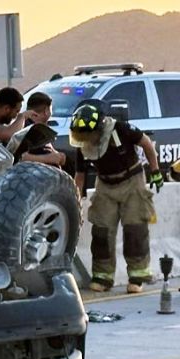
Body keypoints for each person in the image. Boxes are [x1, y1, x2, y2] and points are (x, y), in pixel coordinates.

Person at [70, 103, 164, 293]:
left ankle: (137, 276)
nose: (84, 138)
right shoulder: (84, 144)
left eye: (87, 134)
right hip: (105, 185)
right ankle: (102, 277)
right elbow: (79, 176)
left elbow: (145, 143)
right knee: (101, 231)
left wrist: (155, 171)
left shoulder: (120, 130)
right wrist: (75, 199)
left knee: (134, 229)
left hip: (131, 180)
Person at [6, 92, 67, 167]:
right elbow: (19, 157)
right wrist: (49, 158)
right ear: (46, 111)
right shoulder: (29, 129)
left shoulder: (39, 128)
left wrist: (57, 156)